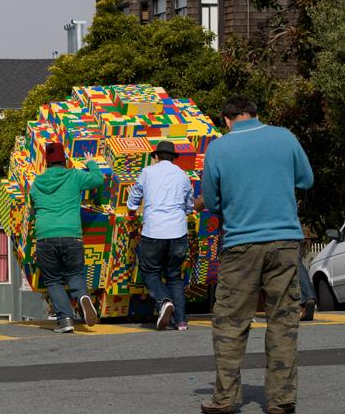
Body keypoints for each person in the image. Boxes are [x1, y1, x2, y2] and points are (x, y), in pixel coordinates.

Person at [200, 95, 313, 414]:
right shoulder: (285, 137)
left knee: (230, 322)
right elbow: (307, 179)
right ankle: (281, 399)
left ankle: (225, 398)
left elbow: (211, 201)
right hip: (285, 243)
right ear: (256, 114)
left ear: (226, 119)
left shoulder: (218, 148)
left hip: (241, 244)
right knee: (283, 320)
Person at [29, 143, 103, 333]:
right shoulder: (74, 175)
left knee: (53, 280)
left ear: (47, 163)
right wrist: (91, 163)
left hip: (45, 236)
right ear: (65, 160)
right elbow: (98, 179)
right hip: (71, 235)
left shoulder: (37, 183)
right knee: (74, 274)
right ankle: (83, 298)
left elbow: (32, 210)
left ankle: (65, 320)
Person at [127, 141, 194, 331]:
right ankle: (181, 321)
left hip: (154, 230)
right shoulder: (182, 175)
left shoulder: (147, 172)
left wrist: (132, 209)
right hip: (178, 231)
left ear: (156, 156)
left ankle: (164, 301)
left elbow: (135, 194)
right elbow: (189, 203)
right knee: (174, 276)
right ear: (173, 158)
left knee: (149, 271)